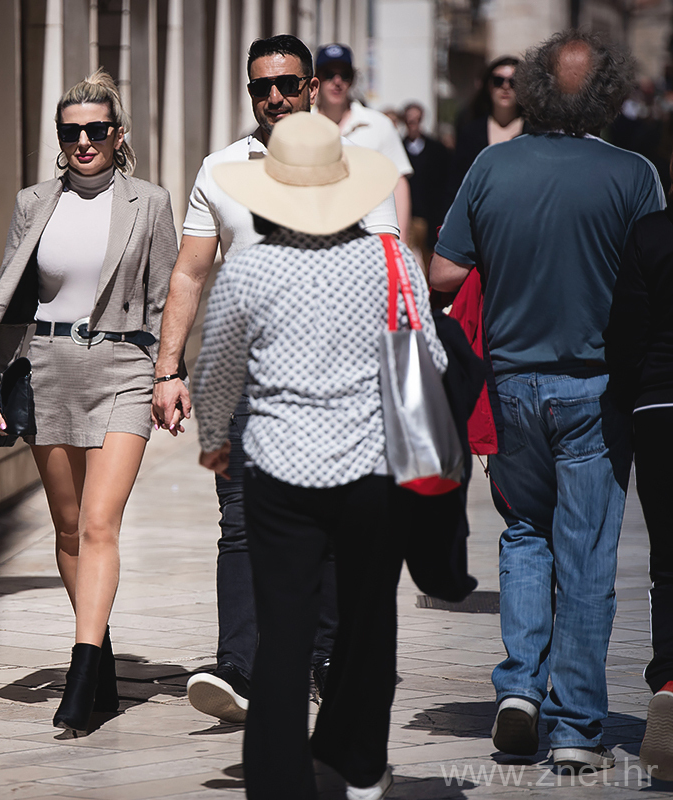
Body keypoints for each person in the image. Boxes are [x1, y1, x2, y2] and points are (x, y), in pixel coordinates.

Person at [431, 30, 666, 771]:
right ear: (607, 94)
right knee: (587, 555)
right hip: (596, 388)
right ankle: (575, 726)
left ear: (532, 86)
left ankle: (519, 692)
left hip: (509, 386)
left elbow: (442, 274)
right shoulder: (634, 175)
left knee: (525, 532)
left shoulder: (492, 165)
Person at [151, 33, 400, 725]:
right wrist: (168, 369)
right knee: (240, 523)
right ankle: (240, 665)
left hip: (335, 382)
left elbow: (386, 271)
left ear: (313, 88)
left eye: (288, 84)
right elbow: (189, 274)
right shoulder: (222, 169)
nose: (275, 97)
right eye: (262, 87)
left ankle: (327, 658)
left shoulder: (360, 168)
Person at [195, 111, 441, 800]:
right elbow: (428, 363)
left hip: (278, 475)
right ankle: (361, 764)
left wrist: (215, 441)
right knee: (367, 621)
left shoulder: (251, 269)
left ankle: (278, 782)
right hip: (370, 474)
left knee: (283, 634)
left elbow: (216, 376)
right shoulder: (392, 261)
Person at [0, 69, 177, 734]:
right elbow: (12, 296)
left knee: (98, 524)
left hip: (124, 366)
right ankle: (103, 651)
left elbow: (165, 299)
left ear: (118, 135)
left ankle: (82, 669)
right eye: (71, 132)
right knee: (67, 527)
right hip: (48, 367)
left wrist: (167, 374)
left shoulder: (150, 202)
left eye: (96, 129)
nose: (83, 141)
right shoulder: (34, 202)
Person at [604, 151, 673, 777]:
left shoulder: (650, 233)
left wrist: (624, 403)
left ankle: (671, 682)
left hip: (660, 408)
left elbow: (626, 333)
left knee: (668, 561)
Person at [314, 43, 414, 238]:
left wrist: (398, 244)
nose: (337, 82)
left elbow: (398, 183)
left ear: (352, 79)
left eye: (345, 75)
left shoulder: (379, 125)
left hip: (369, 238)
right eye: (329, 74)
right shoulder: (301, 125)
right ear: (315, 80)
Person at [447, 56, 523, 203]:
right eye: (498, 81)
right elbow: (456, 184)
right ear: (488, 86)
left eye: (514, 81)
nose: (505, 86)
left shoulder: (536, 131)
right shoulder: (470, 132)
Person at [402, 101, 450, 276]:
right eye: (410, 121)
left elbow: (443, 183)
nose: (413, 125)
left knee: (429, 261)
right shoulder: (398, 148)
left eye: (417, 120)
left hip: (428, 216)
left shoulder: (436, 150)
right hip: (406, 215)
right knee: (405, 259)